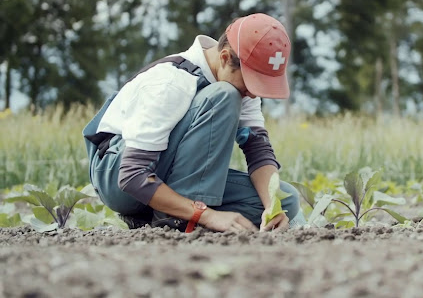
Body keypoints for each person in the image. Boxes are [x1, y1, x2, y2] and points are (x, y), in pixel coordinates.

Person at [82, 13, 306, 233]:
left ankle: (162, 216)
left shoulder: (242, 87)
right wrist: (207, 215)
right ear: (226, 58)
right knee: (224, 96)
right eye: (251, 84)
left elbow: (258, 152)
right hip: (119, 178)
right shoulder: (170, 83)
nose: (252, 95)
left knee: (287, 201)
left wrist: (271, 206)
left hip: (169, 177)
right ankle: (180, 218)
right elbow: (131, 175)